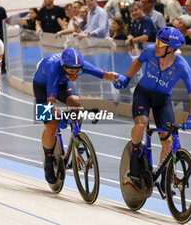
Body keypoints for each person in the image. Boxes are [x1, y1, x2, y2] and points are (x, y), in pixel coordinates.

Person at [115, 27, 191, 192]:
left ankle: (163, 177)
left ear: (171, 49)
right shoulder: (150, 51)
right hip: (143, 94)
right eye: (157, 41)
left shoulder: (182, 65)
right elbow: (138, 62)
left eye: (160, 43)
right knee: (142, 123)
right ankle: (135, 151)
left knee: (168, 140)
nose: (156, 45)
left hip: (162, 100)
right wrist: (127, 77)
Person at [33, 48, 124, 184]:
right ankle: (48, 161)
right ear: (63, 67)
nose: (75, 75)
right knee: (51, 125)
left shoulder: (77, 66)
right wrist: (54, 109)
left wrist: (116, 77)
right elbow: (51, 98)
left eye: (77, 71)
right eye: (71, 72)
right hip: (42, 87)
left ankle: (76, 136)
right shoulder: (54, 68)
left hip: (63, 84)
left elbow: (103, 74)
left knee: (76, 104)